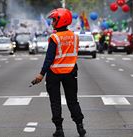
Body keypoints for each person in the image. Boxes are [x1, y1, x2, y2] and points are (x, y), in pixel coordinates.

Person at [31, 8, 86, 137]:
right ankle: (80, 125)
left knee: (55, 102)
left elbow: (49, 58)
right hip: (71, 72)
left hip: (54, 73)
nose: (52, 23)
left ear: (61, 21)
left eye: (54, 20)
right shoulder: (75, 36)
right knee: (73, 101)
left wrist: (41, 74)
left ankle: (59, 129)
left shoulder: (54, 37)